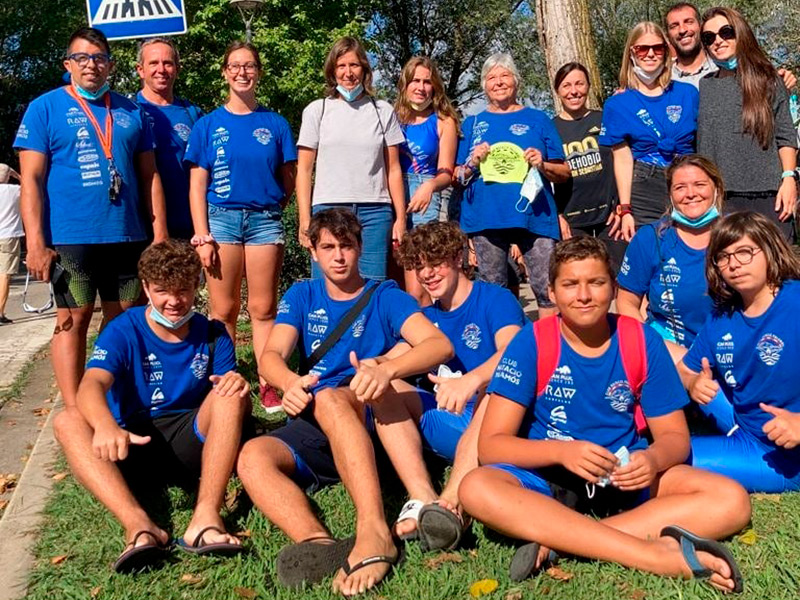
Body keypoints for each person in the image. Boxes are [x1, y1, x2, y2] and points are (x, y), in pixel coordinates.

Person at [458, 236, 750, 593]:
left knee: (731, 500)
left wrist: (653, 458)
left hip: (622, 473)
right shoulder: (531, 340)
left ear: (613, 288)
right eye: (570, 284)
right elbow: (491, 446)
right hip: (548, 480)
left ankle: (564, 539)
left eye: (596, 283)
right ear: (550, 291)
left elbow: (675, 438)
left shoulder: (640, 339)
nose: (583, 295)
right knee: (476, 487)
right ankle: (653, 555)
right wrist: (562, 452)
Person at [236, 208, 452, 595]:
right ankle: (319, 543)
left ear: (359, 249)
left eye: (347, 246)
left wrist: (389, 369)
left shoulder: (384, 295)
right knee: (253, 457)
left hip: (367, 406)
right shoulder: (302, 294)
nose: (338, 256)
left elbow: (439, 344)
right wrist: (290, 383)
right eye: (328, 247)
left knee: (334, 398)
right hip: (318, 410)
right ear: (314, 253)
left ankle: (373, 529)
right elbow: (271, 356)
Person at [52, 240, 250, 573]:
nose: (174, 302)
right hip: (130, 440)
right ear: (145, 287)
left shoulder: (213, 333)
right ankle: (139, 527)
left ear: (197, 285)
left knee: (230, 394)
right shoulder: (123, 329)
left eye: (183, 290)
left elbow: (226, 389)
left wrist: (238, 383)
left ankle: (205, 518)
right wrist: (104, 425)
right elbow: (91, 384)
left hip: (192, 439)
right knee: (68, 420)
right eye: (162, 291)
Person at [14, 26, 168, 409]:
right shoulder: (44, 108)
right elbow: (30, 180)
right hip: (71, 237)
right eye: (81, 58)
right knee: (73, 320)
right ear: (68, 64)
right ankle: (73, 410)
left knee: (120, 322)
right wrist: (35, 242)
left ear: (110, 65)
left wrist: (159, 233)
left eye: (99, 58)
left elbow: (150, 176)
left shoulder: (131, 110)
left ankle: (109, 401)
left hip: (127, 235)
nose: (91, 66)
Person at [371, 221, 526, 550]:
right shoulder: (426, 317)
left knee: (495, 389)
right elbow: (396, 357)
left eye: (436, 262)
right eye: (420, 265)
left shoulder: (495, 299)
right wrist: (373, 368)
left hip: (496, 425)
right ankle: (420, 496)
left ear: (458, 258)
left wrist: (472, 380)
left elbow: (515, 351)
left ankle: (452, 504)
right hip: (450, 421)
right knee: (386, 386)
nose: (427, 273)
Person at [185, 41, 297, 412]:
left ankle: (268, 382)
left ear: (259, 72)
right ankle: (227, 382)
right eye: (235, 66)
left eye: (249, 66)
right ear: (225, 72)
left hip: (265, 222)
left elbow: (289, 177)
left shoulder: (276, 123)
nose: (242, 72)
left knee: (263, 309)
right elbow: (198, 184)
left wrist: (272, 206)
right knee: (223, 310)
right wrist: (202, 235)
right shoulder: (207, 125)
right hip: (221, 223)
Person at [679, 212, 800, 493]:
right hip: (742, 420)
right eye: (723, 256)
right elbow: (686, 368)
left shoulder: (794, 302)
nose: (734, 264)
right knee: (665, 352)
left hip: (781, 456)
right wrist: (692, 382)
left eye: (745, 252)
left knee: (677, 463)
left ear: (770, 251)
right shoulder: (723, 315)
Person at [456, 53, 569, 318]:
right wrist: (472, 162)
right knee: (494, 291)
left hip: (535, 215)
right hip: (485, 218)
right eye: (492, 77)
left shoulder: (539, 119)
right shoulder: (472, 124)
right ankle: (503, 352)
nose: (498, 82)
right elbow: (457, 177)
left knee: (546, 288)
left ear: (516, 81)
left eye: (504, 75)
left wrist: (542, 164)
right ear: (484, 85)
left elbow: (563, 172)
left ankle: (548, 351)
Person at [296, 36, 406, 282]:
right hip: (328, 208)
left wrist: (401, 218)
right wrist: (305, 219)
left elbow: (394, 169)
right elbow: (303, 170)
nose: (348, 73)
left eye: (354, 65)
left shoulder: (382, 110)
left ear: (364, 69)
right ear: (332, 70)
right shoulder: (317, 110)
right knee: (328, 284)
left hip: (375, 212)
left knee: (372, 285)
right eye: (341, 65)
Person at [697, 7, 798, 240]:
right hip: (722, 199)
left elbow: (786, 136)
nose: (718, 41)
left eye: (726, 32)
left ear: (740, 33)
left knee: (776, 269)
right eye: (709, 37)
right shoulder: (704, 87)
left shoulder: (770, 80)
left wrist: (789, 179)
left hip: (770, 197)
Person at [617, 155, 723, 362]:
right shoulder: (650, 238)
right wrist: (654, 348)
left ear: (716, 188)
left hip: (729, 353)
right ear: (670, 195)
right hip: (668, 354)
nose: (691, 194)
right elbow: (626, 303)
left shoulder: (738, 235)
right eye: (680, 187)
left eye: (700, 184)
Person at [599, 21, 698, 237]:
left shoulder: (688, 93)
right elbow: (623, 159)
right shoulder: (617, 104)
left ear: (666, 52)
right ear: (631, 53)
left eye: (657, 48)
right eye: (642, 48)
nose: (650, 54)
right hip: (644, 185)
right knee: (653, 253)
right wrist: (625, 209)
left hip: (689, 181)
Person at [394, 56, 459, 302]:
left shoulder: (444, 121)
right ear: (405, 84)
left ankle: (428, 334)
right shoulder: (392, 118)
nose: (420, 87)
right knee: (391, 277)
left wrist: (429, 185)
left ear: (435, 87)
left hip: (424, 197)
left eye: (427, 82)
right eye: (415, 81)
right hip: (390, 194)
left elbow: (446, 172)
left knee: (418, 283)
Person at [551, 62, 627, 272]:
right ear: (557, 90)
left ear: (588, 86)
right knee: (582, 277)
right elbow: (543, 179)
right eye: (566, 86)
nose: (574, 91)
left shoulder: (604, 119)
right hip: (572, 221)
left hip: (611, 217)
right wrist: (556, 216)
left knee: (618, 279)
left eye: (579, 84)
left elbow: (624, 161)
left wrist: (622, 205)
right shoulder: (550, 128)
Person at [136, 37, 203, 240]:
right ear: (141, 70)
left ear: (177, 69)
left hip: (190, 227)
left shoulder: (193, 113)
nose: (161, 69)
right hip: (143, 230)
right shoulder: (127, 112)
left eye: (168, 63)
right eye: (154, 63)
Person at [664, 2, 797, 91]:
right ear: (667, 34)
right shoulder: (661, 77)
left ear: (700, 27)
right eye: (674, 26)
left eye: (689, 22)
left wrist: (782, 80)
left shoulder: (725, 65)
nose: (682, 30)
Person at [0, 164, 22, 324]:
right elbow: (30, 185)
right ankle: (0, 312)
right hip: (9, 236)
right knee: (5, 274)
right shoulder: (15, 191)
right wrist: (17, 175)